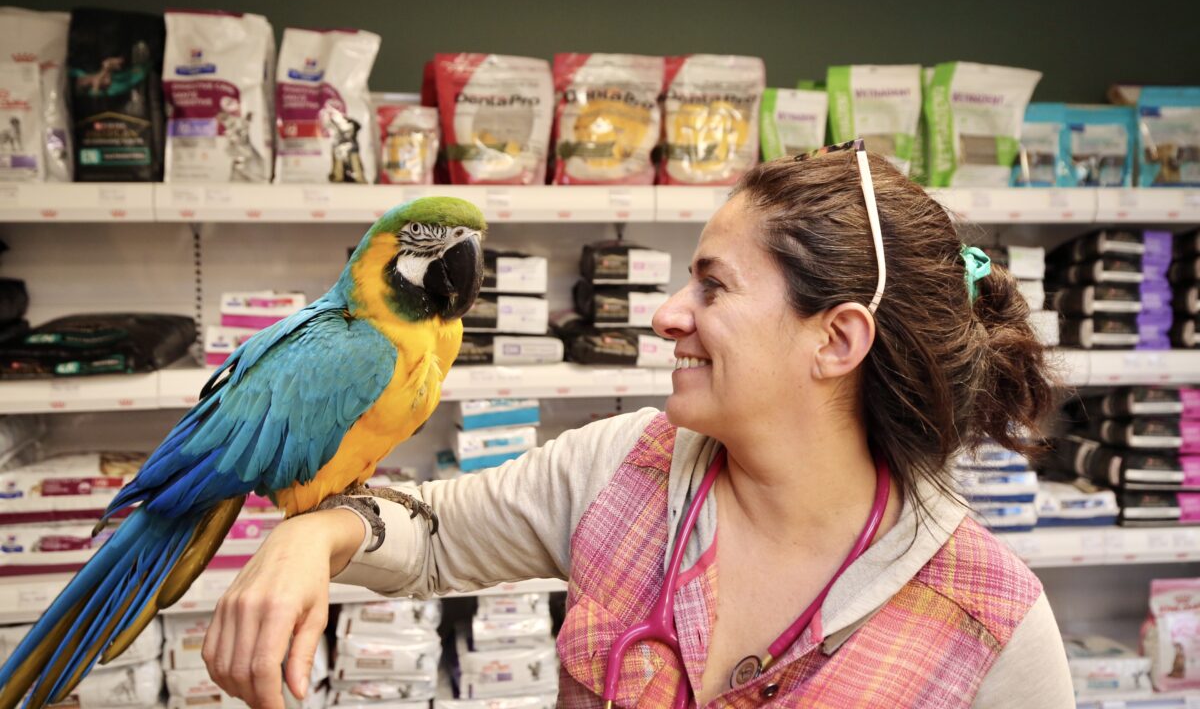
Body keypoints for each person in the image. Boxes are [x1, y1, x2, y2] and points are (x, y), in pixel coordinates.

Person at [202, 142, 1075, 708]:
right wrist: (312, 536)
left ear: (836, 338)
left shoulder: (992, 629)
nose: (664, 315)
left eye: (713, 285)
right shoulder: (624, 466)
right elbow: (429, 538)